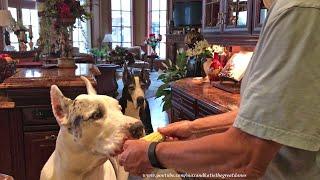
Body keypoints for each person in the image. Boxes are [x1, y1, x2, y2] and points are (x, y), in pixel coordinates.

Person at [119, 0, 320, 179]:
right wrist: (194, 128)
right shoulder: (284, 11)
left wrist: (154, 154)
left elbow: (247, 157)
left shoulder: (298, 11)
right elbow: (262, 120)